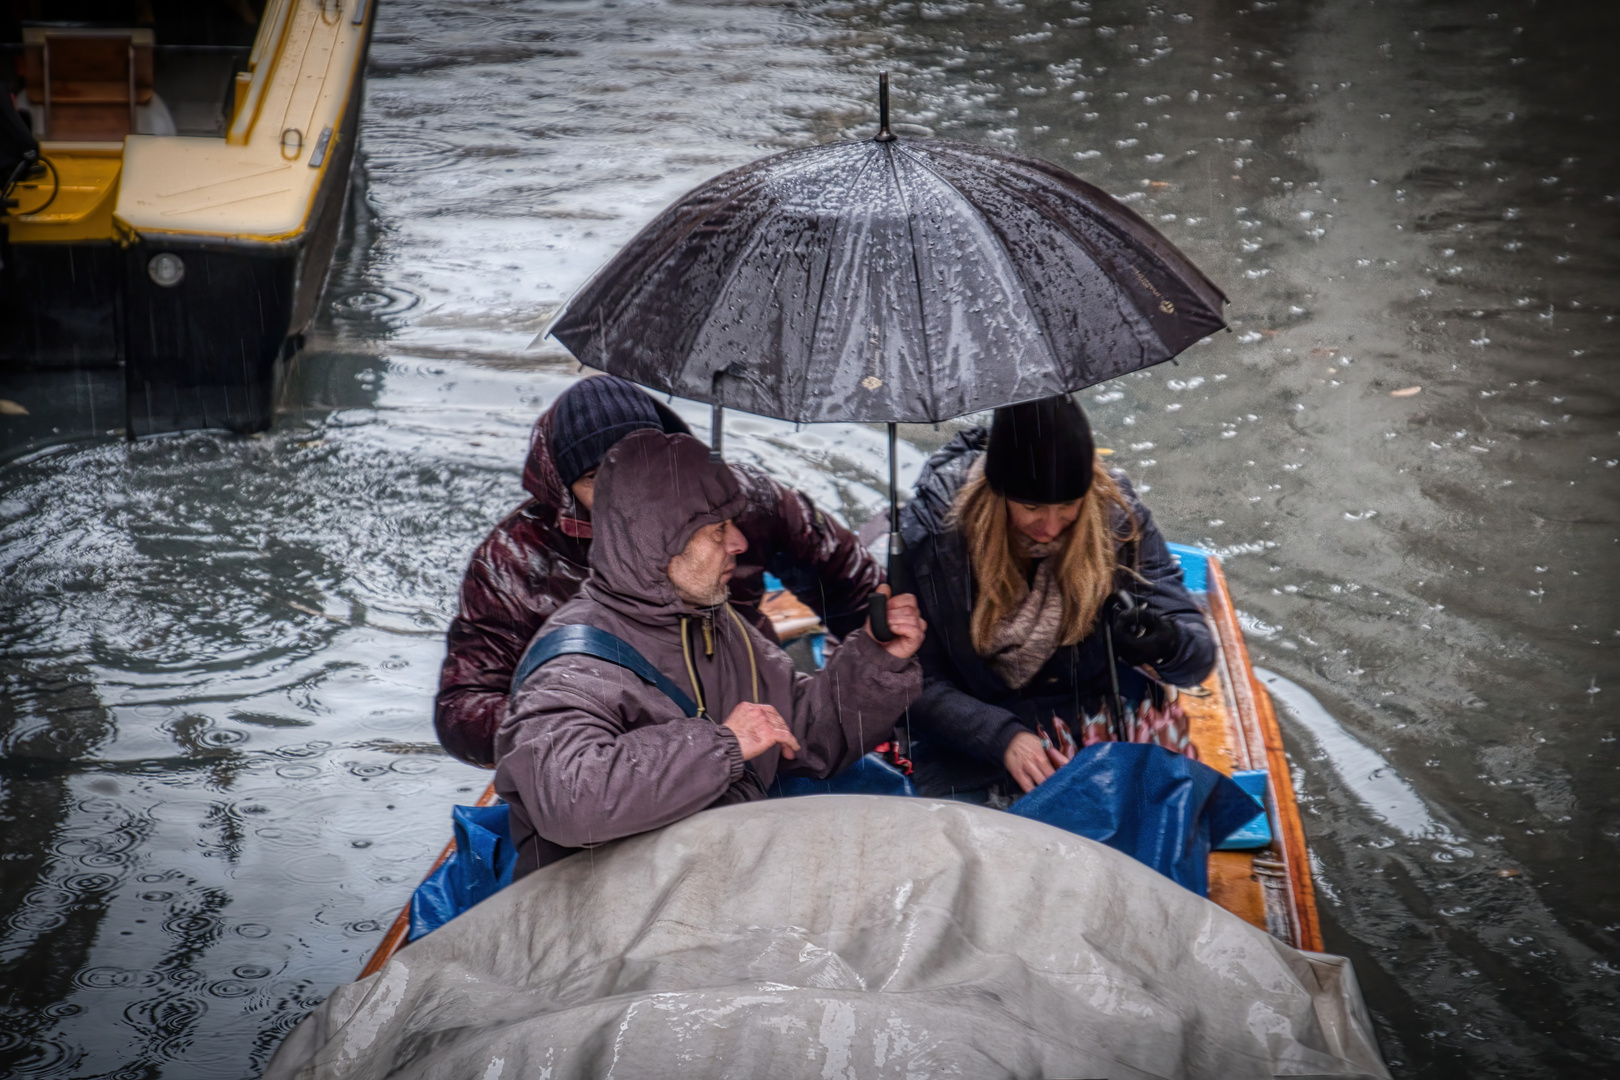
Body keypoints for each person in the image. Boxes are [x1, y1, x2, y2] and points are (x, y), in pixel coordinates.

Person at [495, 430, 925, 875]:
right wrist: (724, 745)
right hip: (606, 919)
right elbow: (569, 801)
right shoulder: (575, 663)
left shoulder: (716, 621)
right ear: (659, 542)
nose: (739, 542)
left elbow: (805, 734)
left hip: (714, 880)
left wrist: (877, 660)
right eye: (718, 529)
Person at [436, 374, 883, 768]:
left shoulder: (749, 502)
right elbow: (462, 708)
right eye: (596, 478)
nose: (624, 490)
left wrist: (869, 675)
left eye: (640, 463)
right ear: (566, 491)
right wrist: (581, 730)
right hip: (619, 764)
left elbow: (853, 587)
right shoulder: (514, 562)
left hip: (758, 718)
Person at [898, 394, 1214, 803]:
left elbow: (1196, 663)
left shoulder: (1119, 519)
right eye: (1031, 507)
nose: (1049, 526)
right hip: (968, 738)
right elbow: (911, 680)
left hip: (1091, 723)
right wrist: (1003, 738)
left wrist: (1169, 642)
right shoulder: (933, 536)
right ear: (999, 494)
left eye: (1068, 506)